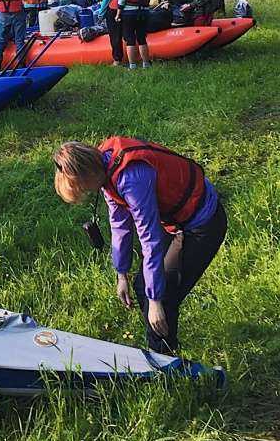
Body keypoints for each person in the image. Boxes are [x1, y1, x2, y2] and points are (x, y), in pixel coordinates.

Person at [53, 137, 227, 356]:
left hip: (202, 223)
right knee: (141, 285)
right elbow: (119, 225)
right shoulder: (105, 167)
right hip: (175, 222)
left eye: (83, 188)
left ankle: (164, 363)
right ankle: (160, 350)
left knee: (163, 295)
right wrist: (121, 274)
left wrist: (155, 301)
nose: (86, 193)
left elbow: (150, 239)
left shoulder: (131, 177)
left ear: (88, 174)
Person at [100, 0, 126, 67]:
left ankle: (117, 60)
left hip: (115, 9)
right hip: (130, 8)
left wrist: (101, 13)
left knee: (115, 36)